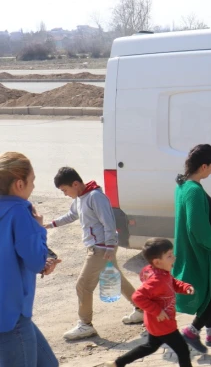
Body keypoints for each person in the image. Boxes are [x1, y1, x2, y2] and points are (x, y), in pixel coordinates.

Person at [48, 167, 143, 341]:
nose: (65, 194)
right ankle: (141, 309)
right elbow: (71, 215)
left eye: (65, 190)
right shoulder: (80, 198)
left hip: (100, 248)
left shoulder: (95, 197)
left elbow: (108, 222)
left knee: (83, 286)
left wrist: (108, 247)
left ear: (75, 184)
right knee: (117, 279)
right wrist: (51, 224)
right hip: (101, 247)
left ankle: (85, 325)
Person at [173, 145, 211, 353]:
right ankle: (192, 330)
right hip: (206, 252)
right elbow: (196, 226)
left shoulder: (183, 185)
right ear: (203, 166)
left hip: (199, 249)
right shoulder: (193, 191)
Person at [0, 152, 60, 367]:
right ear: (19, 184)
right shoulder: (20, 212)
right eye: (32, 181)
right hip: (12, 316)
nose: (33, 186)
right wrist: (39, 228)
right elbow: (35, 260)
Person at [105, 238, 195, 367]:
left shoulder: (160, 273)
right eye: (169, 256)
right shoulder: (156, 280)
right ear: (157, 262)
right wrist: (157, 311)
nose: (174, 258)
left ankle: (117, 363)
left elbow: (172, 282)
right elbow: (137, 297)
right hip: (162, 323)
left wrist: (185, 287)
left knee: (150, 346)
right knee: (183, 350)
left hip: (155, 322)